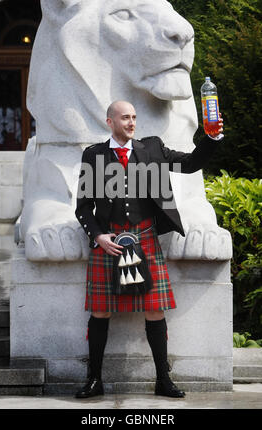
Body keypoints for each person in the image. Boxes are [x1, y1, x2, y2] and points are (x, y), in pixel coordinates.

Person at [75, 100, 224, 399]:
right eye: (125, 118)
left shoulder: (152, 149)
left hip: (144, 238)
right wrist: (98, 236)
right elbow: (82, 207)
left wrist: (212, 137)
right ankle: (94, 380)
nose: (131, 122)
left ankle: (162, 380)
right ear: (110, 122)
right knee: (100, 311)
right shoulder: (94, 155)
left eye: (134, 117)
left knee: (155, 309)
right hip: (110, 243)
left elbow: (191, 163)